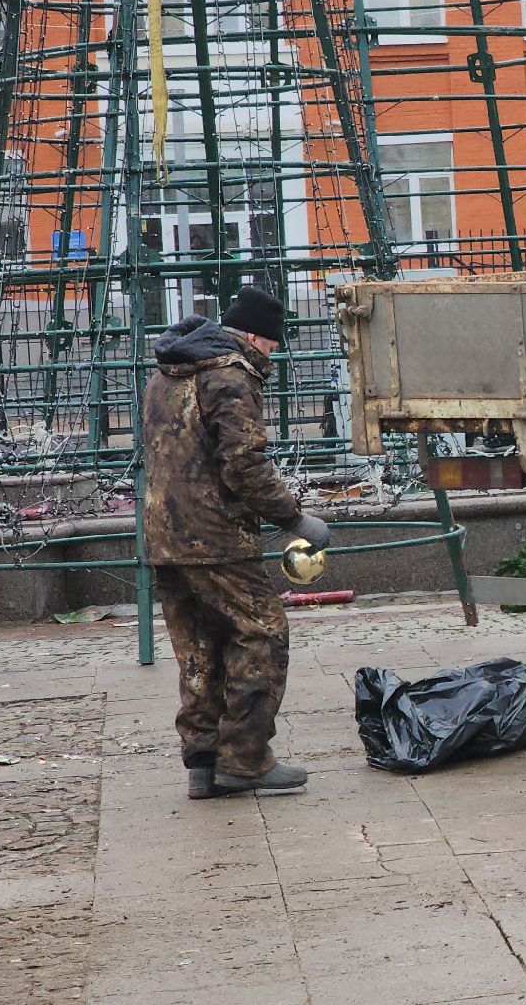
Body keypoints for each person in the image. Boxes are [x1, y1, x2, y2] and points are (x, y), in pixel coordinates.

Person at [142, 285, 329, 799]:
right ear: (252, 335)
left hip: (165, 534)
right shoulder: (230, 376)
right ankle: (245, 758)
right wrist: (294, 519)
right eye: (271, 344)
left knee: (199, 648)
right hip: (217, 536)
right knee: (263, 633)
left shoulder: (165, 375)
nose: (272, 354)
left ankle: (203, 764)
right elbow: (243, 462)